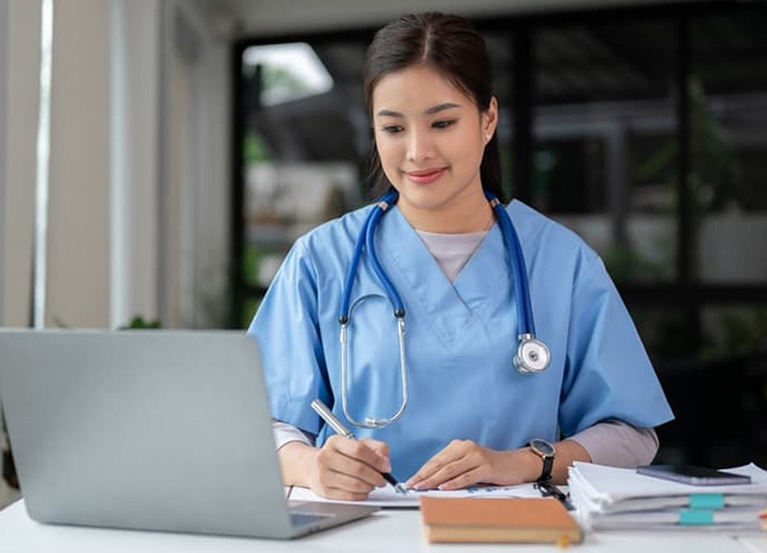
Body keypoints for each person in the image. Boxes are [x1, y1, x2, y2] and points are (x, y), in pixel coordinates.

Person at [248, 12, 674, 501]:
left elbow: (633, 436)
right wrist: (312, 466)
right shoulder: (322, 260)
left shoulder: (561, 263)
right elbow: (258, 422)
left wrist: (522, 462)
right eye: (393, 128)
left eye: (443, 122)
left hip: (514, 537)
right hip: (359, 536)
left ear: (487, 119)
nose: (417, 151)